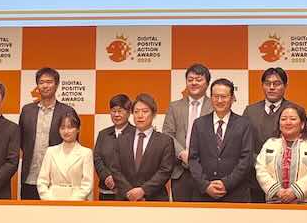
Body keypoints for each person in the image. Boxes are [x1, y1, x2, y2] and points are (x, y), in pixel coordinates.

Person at [243, 67, 306, 203]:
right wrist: (261, 164)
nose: (271, 87)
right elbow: (244, 145)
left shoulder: (295, 110)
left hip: (288, 183)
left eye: (276, 84)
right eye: (267, 83)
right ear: (262, 85)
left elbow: (303, 142)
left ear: (285, 86)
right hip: (255, 178)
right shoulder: (250, 111)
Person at [188, 78, 255, 203]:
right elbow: (193, 159)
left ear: (232, 98)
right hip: (203, 195)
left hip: (235, 194)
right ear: (211, 98)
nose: (219, 100)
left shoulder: (244, 124)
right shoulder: (199, 124)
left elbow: (246, 160)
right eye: (215, 96)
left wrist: (226, 183)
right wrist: (205, 185)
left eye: (223, 97)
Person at [19, 68, 75, 200]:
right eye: (41, 82)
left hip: (57, 180)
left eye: (49, 82)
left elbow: (72, 144)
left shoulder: (67, 111)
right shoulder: (27, 110)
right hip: (30, 177)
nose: (45, 85)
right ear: (37, 86)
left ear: (57, 84)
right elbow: (21, 140)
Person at [255, 104, 307, 204]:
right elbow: (260, 169)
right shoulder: (270, 144)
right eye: (283, 119)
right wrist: (277, 191)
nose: (288, 122)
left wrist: (294, 192)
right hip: (275, 202)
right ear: (279, 124)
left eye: (293, 119)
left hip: (305, 204)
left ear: (302, 124)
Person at [161, 63, 212, 201]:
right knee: (181, 212)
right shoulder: (174, 107)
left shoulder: (215, 106)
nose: (194, 83)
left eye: (198, 79)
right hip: (180, 171)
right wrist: (182, 153)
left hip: (206, 171)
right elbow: (167, 134)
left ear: (207, 83)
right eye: (190, 79)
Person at [109, 93, 175, 202]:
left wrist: (143, 191)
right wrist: (130, 192)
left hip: (154, 199)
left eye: (145, 111)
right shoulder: (121, 139)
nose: (140, 115)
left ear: (154, 114)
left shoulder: (165, 141)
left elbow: (165, 171)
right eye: (136, 112)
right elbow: (115, 169)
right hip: (125, 199)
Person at [37, 109, 94, 200]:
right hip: (52, 200)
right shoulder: (51, 151)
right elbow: (42, 181)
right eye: (62, 128)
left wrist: (73, 202)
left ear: (78, 129)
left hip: (77, 201)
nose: (66, 131)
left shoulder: (86, 153)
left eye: (70, 127)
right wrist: (48, 199)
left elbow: (87, 184)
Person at [94, 94, 132, 200]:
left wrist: (118, 180)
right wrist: (106, 177)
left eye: (120, 111)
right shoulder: (103, 134)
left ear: (129, 112)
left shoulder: (136, 134)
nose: (116, 114)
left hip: (129, 191)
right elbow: (97, 158)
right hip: (106, 190)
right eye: (113, 111)